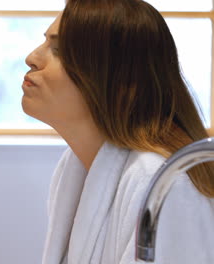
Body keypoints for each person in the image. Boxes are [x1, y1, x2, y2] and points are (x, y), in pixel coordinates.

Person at [22, 0, 214, 263]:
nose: (32, 58)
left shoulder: (164, 184)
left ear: (119, 79)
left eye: (58, 50)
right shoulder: (74, 166)